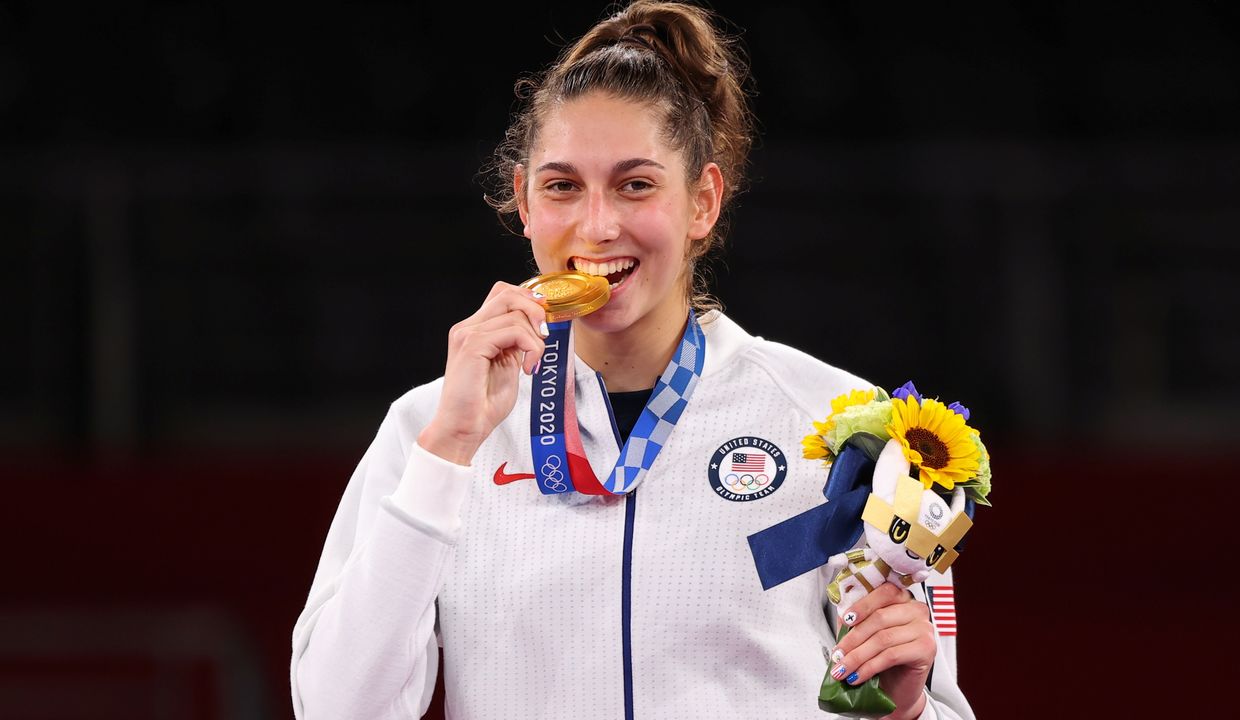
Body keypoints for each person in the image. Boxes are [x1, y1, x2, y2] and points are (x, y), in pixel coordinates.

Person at [290, 2, 976, 719]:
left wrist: (907, 713)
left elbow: (933, 704)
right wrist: (449, 451)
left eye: (635, 184)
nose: (597, 224)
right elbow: (336, 709)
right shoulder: (430, 431)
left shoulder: (843, 427)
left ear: (703, 202)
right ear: (524, 202)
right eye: (562, 186)